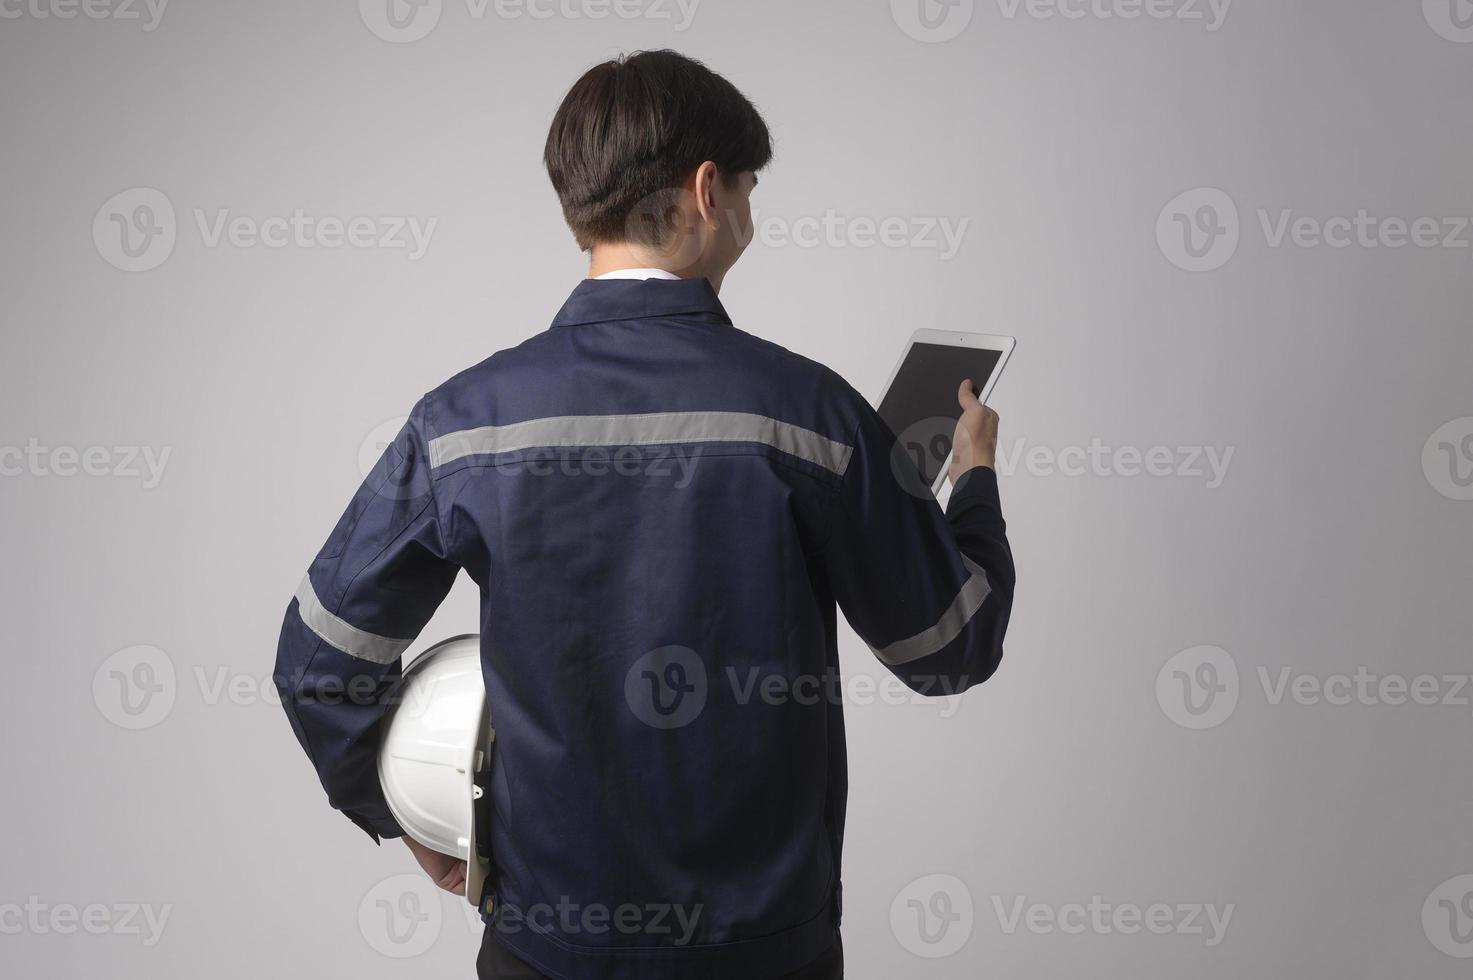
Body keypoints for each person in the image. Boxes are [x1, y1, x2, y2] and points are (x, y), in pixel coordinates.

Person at [273, 49, 1015, 980]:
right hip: (764, 957)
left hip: (543, 951)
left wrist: (412, 817)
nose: (750, 210)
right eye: (749, 187)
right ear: (708, 191)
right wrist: (972, 479)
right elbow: (950, 649)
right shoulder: (813, 416)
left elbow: (317, 663)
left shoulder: (462, 422)